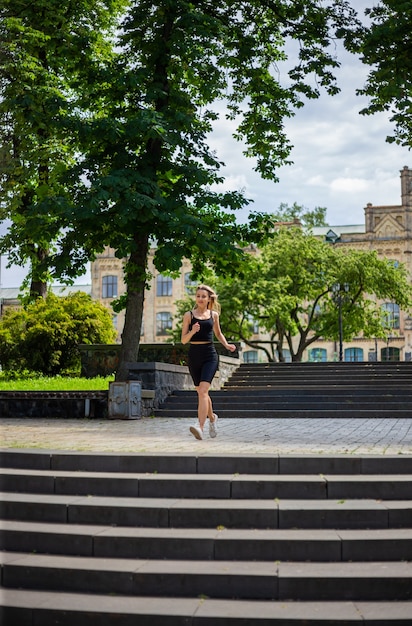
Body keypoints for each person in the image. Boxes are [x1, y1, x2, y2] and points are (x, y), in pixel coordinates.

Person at [181, 284, 236, 440]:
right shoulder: (188, 315)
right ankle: (212, 418)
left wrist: (226, 345)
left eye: (203, 296)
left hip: (210, 355)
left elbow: (218, 333)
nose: (200, 298)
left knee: (203, 391)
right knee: (201, 392)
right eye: (198, 296)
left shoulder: (214, 315)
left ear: (209, 298)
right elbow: (183, 340)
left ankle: (200, 427)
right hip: (194, 355)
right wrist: (193, 331)